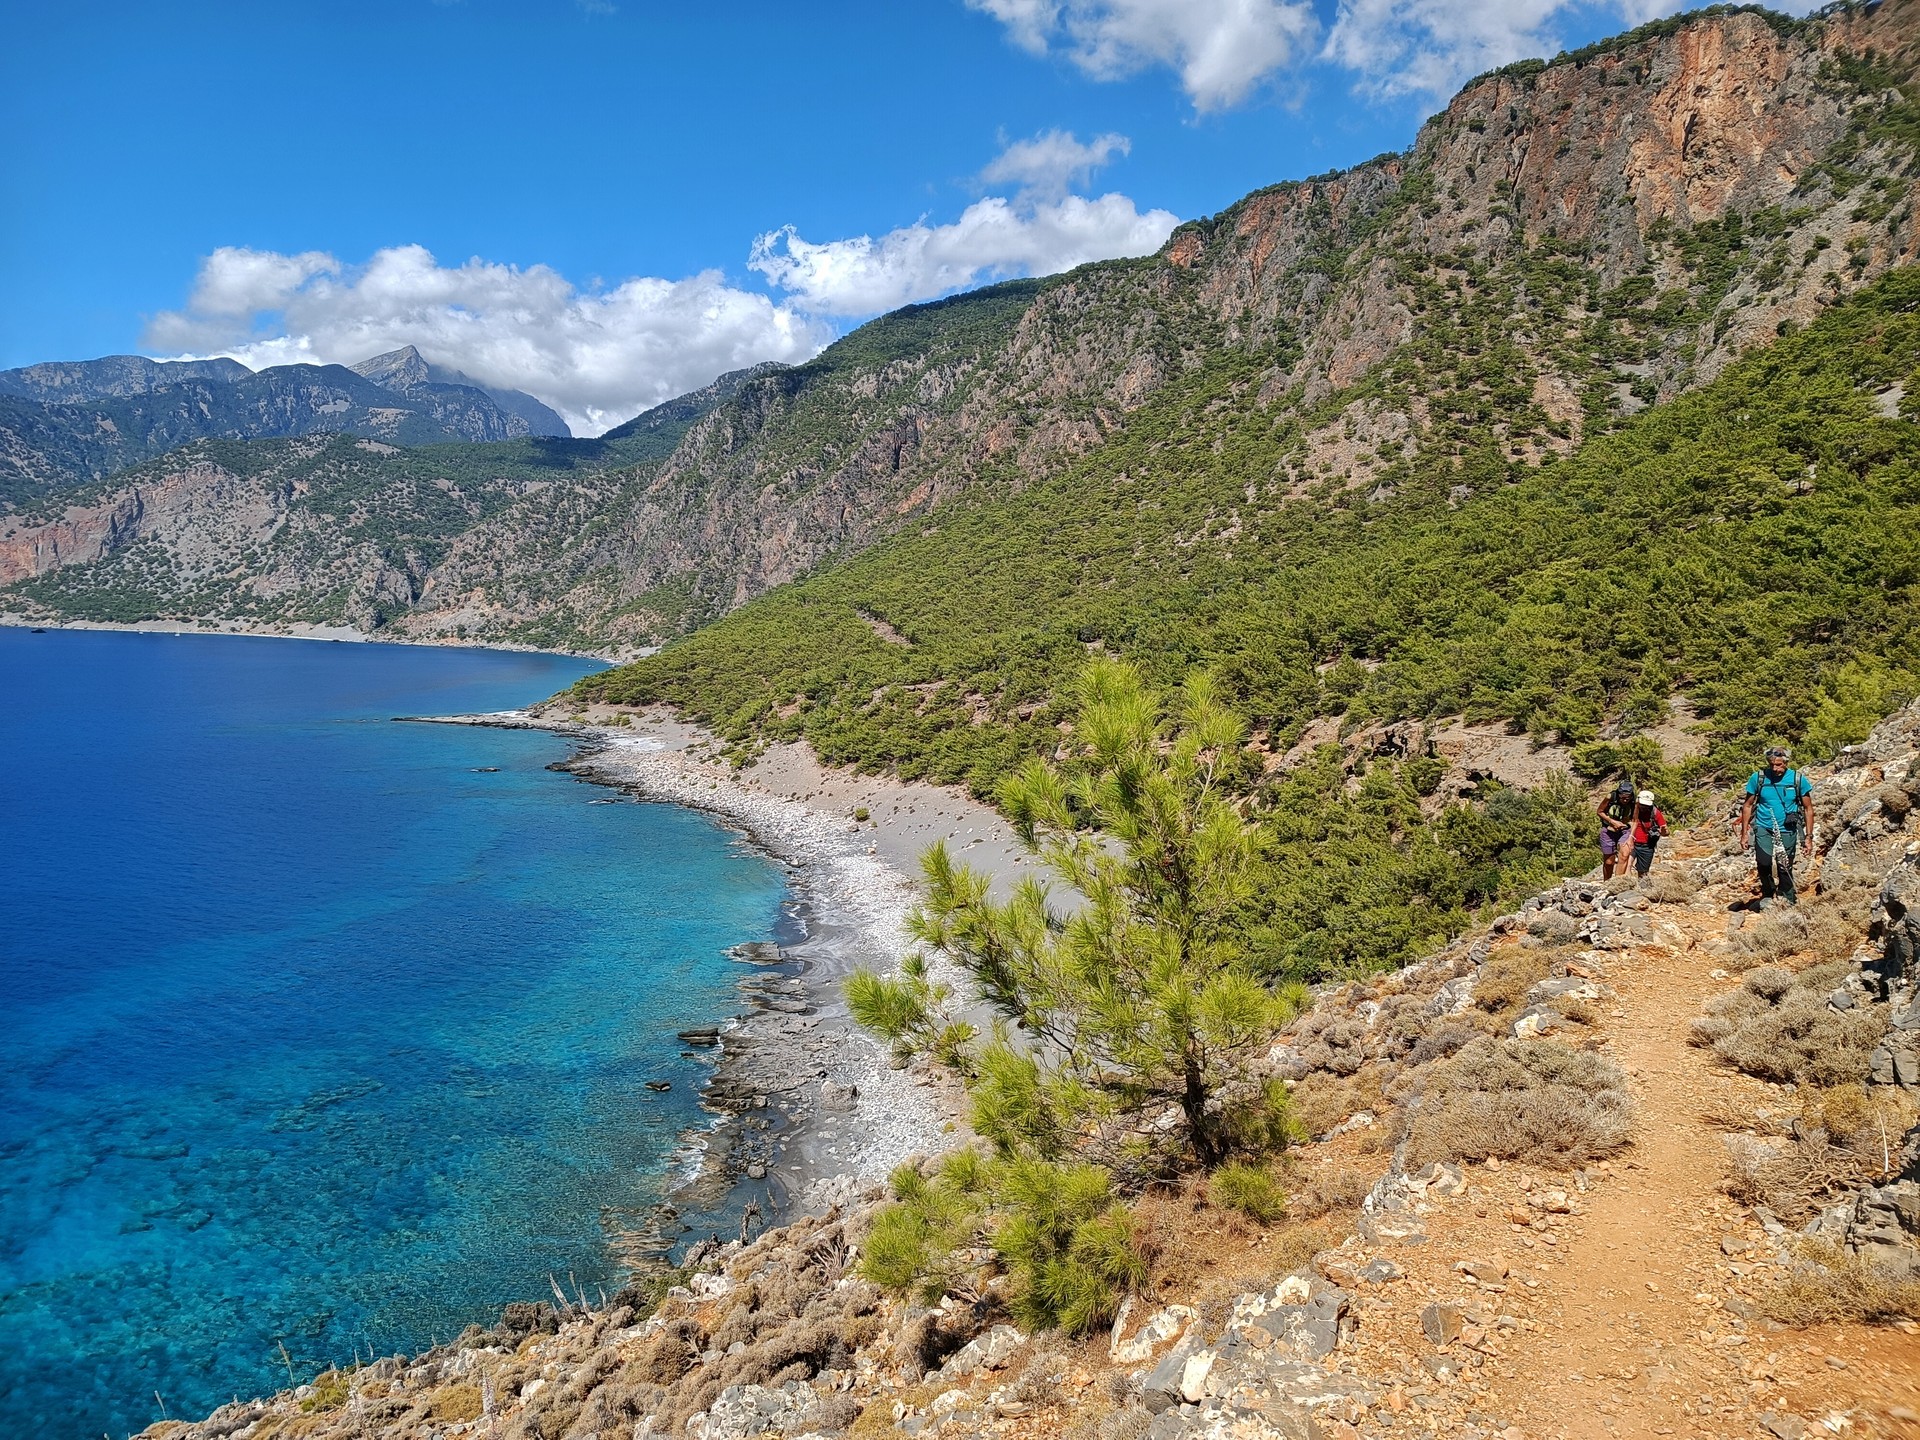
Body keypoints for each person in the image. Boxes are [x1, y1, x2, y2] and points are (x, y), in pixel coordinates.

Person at [1739, 745, 1814, 905]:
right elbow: (1747, 805)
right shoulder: (1758, 778)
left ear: (1786, 763)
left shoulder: (1797, 780)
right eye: (1771, 764)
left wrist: (1808, 837)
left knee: (1784, 866)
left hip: (1788, 829)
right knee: (1763, 862)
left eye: (1779, 764)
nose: (1775, 768)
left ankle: (1788, 899)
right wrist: (1744, 833)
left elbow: (1808, 808)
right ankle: (1768, 893)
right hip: (1763, 826)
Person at [1596, 779, 1636, 879]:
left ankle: (1619, 882)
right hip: (1608, 830)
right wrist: (1612, 821)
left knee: (1624, 853)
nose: (1625, 800)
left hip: (1625, 830)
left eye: (1628, 798)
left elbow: (1635, 819)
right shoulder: (1610, 797)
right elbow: (1600, 811)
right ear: (1618, 794)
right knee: (1609, 862)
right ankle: (1607, 882)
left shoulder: (1634, 801)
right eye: (1623, 798)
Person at [1630, 789, 1667, 878]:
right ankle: (1627, 886)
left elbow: (1666, 831)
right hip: (1631, 843)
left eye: (1646, 805)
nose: (1644, 807)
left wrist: (1663, 831)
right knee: (1627, 865)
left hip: (1647, 846)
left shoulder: (1655, 813)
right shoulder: (1631, 810)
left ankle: (1641, 888)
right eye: (1642, 805)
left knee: (1643, 873)